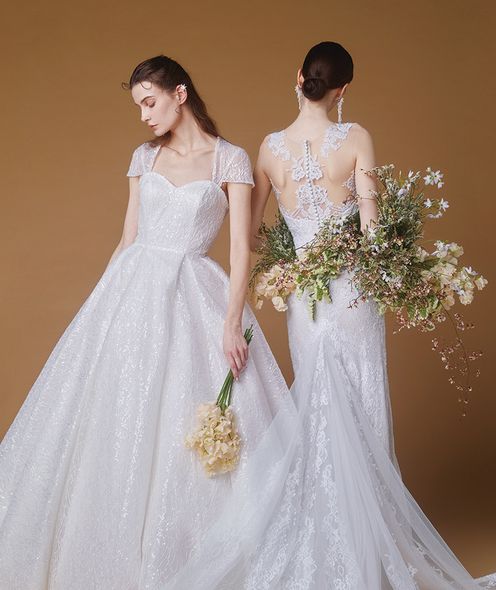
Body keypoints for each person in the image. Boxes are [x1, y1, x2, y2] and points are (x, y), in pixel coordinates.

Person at [164, 42, 496, 589]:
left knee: (317, 403)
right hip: (353, 294)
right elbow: (372, 231)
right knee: (361, 403)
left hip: (306, 301)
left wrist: (287, 264)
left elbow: (252, 234)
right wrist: (394, 258)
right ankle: (365, 546)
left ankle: (322, 539)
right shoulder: (356, 137)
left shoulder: (268, 149)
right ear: (342, 90)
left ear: (299, 77)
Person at [0, 54, 293, 589]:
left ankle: (183, 555)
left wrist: (232, 322)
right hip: (131, 292)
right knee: (117, 418)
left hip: (194, 293)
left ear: (180, 94)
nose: (144, 115)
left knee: (185, 420)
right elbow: (127, 239)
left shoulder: (229, 160)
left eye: (150, 102)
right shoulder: (144, 156)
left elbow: (240, 250)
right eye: (138, 106)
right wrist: (99, 307)